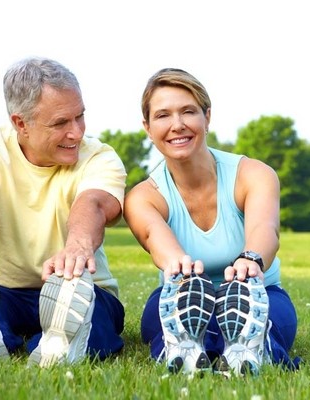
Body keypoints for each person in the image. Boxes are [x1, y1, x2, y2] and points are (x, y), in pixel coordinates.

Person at [0, 57, 127, 367]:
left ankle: (59, 340)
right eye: (61, 123)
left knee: (96, 327)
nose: (76, 132)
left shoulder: (100, 157)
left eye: (80, 117)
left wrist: (77, 246)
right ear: (21, 123)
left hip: (81, 287)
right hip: (5, 289)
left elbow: (93, 203)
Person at [124, 68, 299, 376]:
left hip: (259, 293)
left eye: (188, 112)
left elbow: (265, 228)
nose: (177, 125)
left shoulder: (254, 175)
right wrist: (179, 266)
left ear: (207, 117)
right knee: (162, 319)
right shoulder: (143, 197)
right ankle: (184, 348)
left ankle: (251, 348)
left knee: (268, 322)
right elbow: (154, 236)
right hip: (179, 294)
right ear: (148, 128)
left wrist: (251, 260)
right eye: (163, 115)